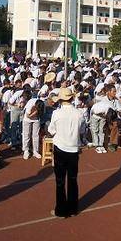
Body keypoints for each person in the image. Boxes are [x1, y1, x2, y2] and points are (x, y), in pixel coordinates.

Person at [47, 87, 85, 218]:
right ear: (72, 98)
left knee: (60, 181)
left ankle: (61, 210)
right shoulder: (79, 113)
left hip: (60, 148)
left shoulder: (56, 113)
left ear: (61, 100)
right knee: (73, 180)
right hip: (73, 149)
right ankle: (73, 209)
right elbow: (82, 131)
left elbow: (51, 130)